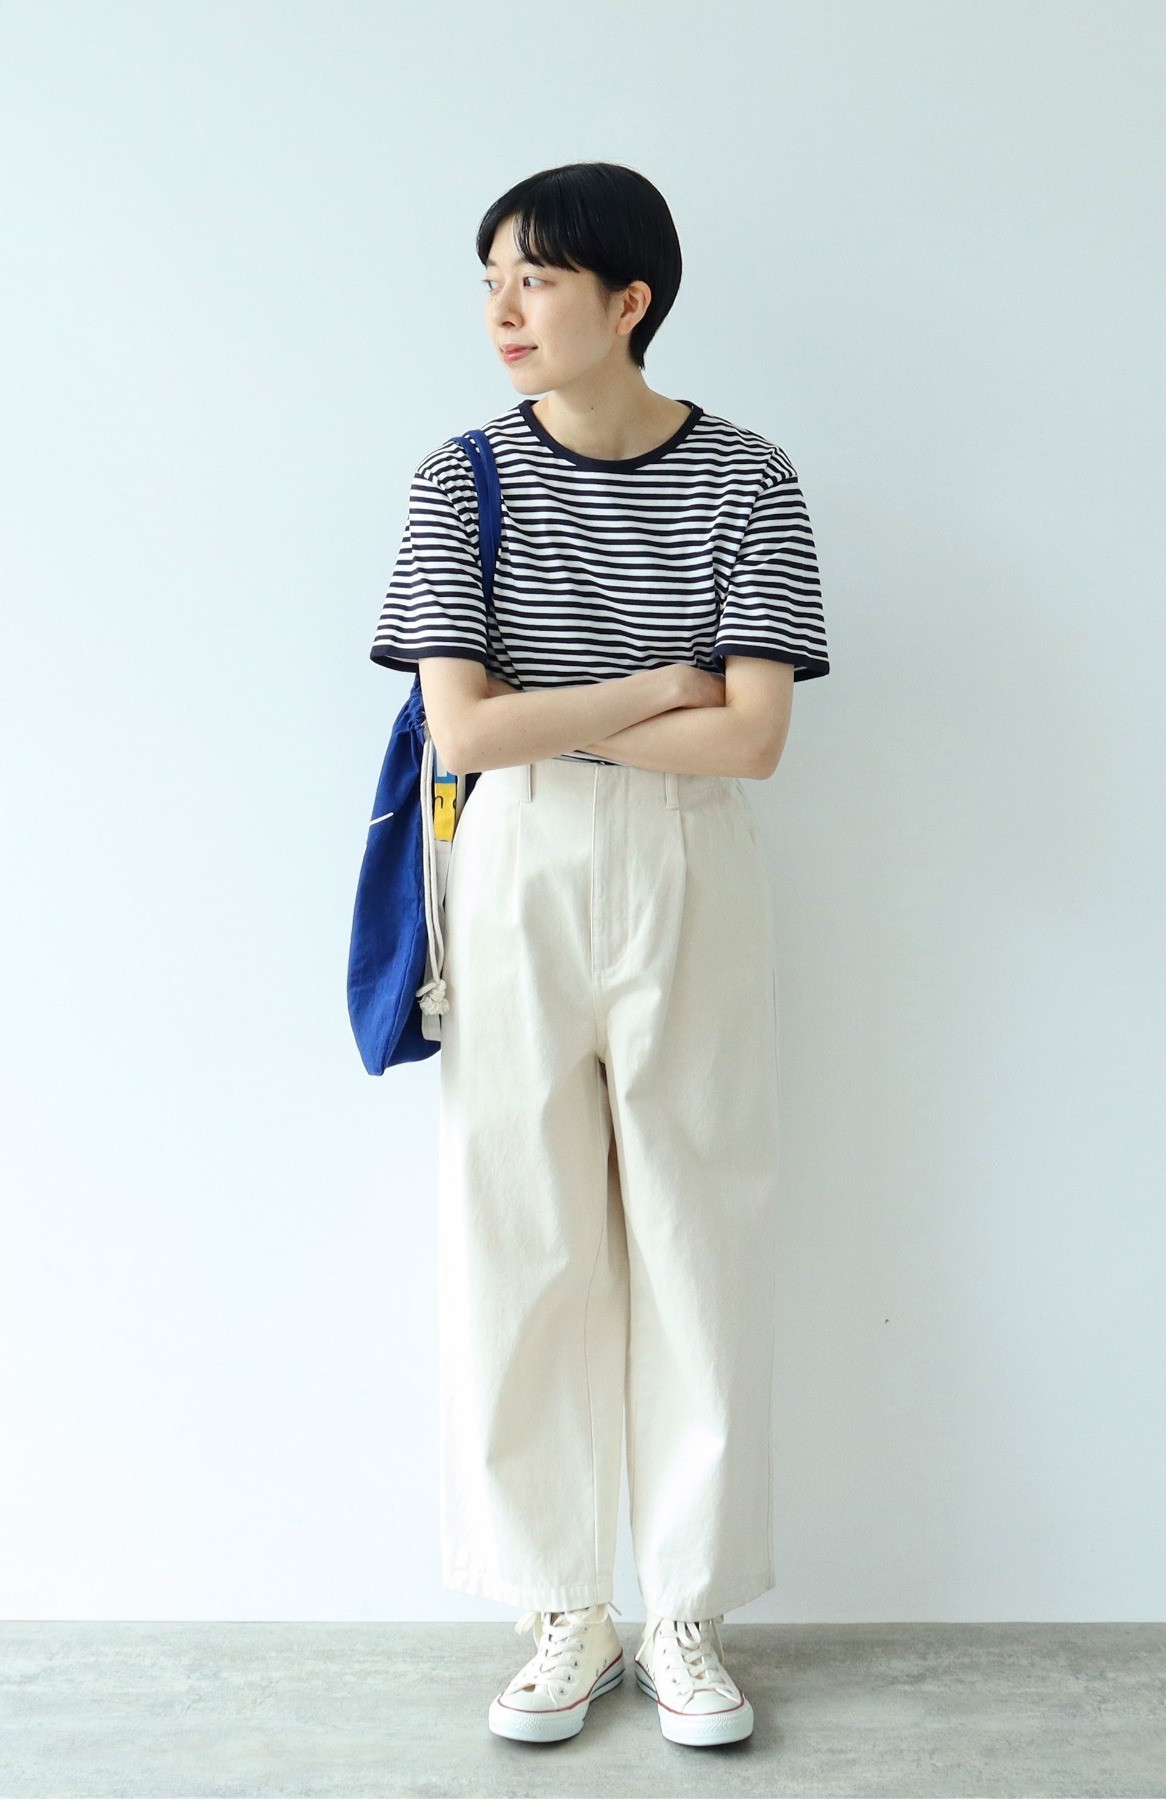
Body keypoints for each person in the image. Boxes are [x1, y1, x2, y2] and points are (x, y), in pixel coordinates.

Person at [369, 161, 830, 1748]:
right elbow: (462, 732)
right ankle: (561, 1605)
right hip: (513, 859)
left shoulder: (748, 476)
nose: (504, 310)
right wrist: (652, 688)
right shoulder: (461, 477)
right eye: (491, 279)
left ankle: (685, 1608)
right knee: (522, 1224)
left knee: (701, 1220)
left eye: (539, 279)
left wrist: (561, 711)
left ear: (629, 300)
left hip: (694, 858)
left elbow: (754, 739)